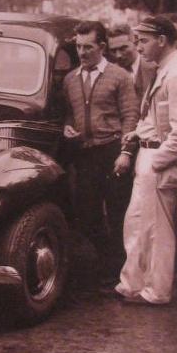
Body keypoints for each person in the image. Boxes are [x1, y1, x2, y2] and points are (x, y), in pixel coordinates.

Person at [113, 14, 177, 305]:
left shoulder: (176, 74)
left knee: (156, 230)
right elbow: (158, 117)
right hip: (149, 152)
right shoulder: (165, 70)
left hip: (157, 158)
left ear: (162, 40)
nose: (138, 47)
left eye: (143, 41)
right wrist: (138, 134)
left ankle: (156, 291)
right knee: (140, 224)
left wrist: (157, 160)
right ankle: (135, 284)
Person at [61, 20, 138, 288]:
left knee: (118, 212)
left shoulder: (120, 77)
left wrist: (126, 153)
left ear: (102, 47)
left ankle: (119, 268)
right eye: (78, 47)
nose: (82, 53)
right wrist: (67, 126)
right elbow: (70, 112)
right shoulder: (70, 79)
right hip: (85, 155)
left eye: (88, 47)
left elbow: (130, 116)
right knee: (87, 214)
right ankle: (107, 258)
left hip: (113, 151)